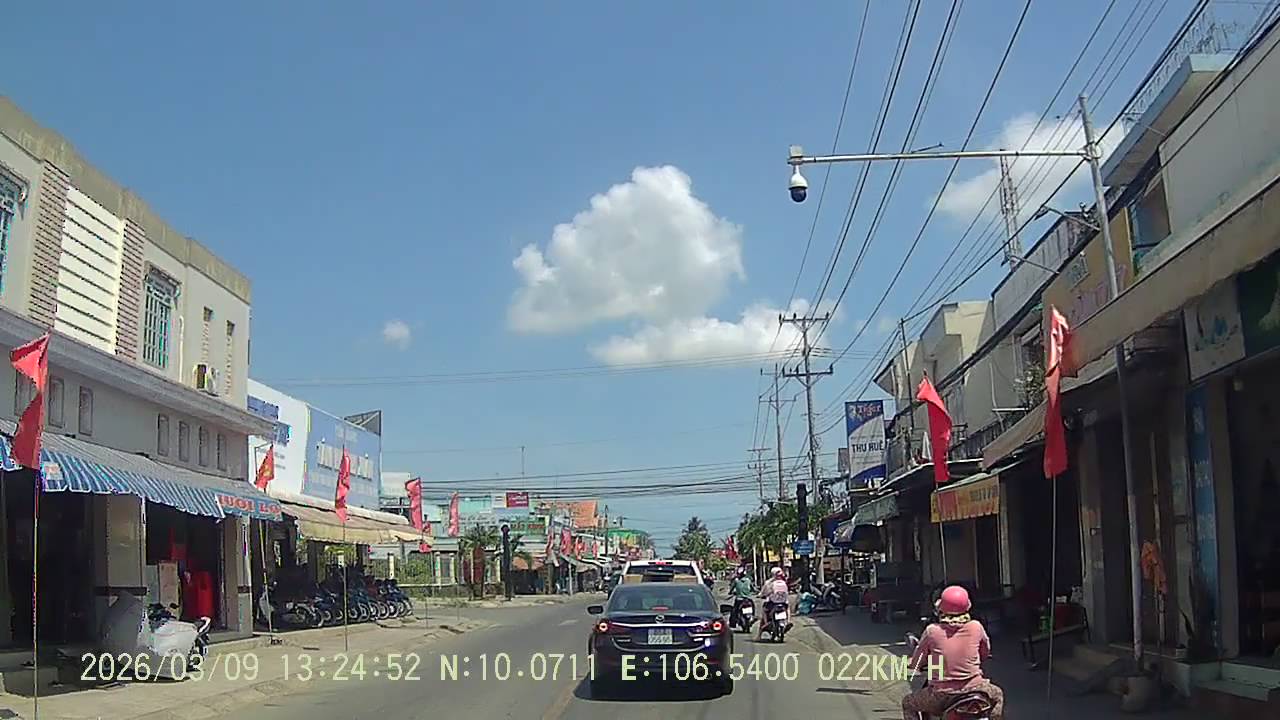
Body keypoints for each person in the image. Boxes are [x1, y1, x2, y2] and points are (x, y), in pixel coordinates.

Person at [902, 585, 1005, 720]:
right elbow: (985, 652)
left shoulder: (932, 631)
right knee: (998, 695)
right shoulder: (976, 627)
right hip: (976, 688)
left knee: (908, 703)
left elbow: (917, 662)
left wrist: (912, 663)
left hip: (941, 695)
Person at [757, 566, 790, 640]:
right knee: (788, 608)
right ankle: (788, 621)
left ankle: (762, 630)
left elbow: (764, 593)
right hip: (783, 603)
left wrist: (761, 595)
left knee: (764, 610)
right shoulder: (783, 582)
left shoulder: (769, 583)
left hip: (772, 603)